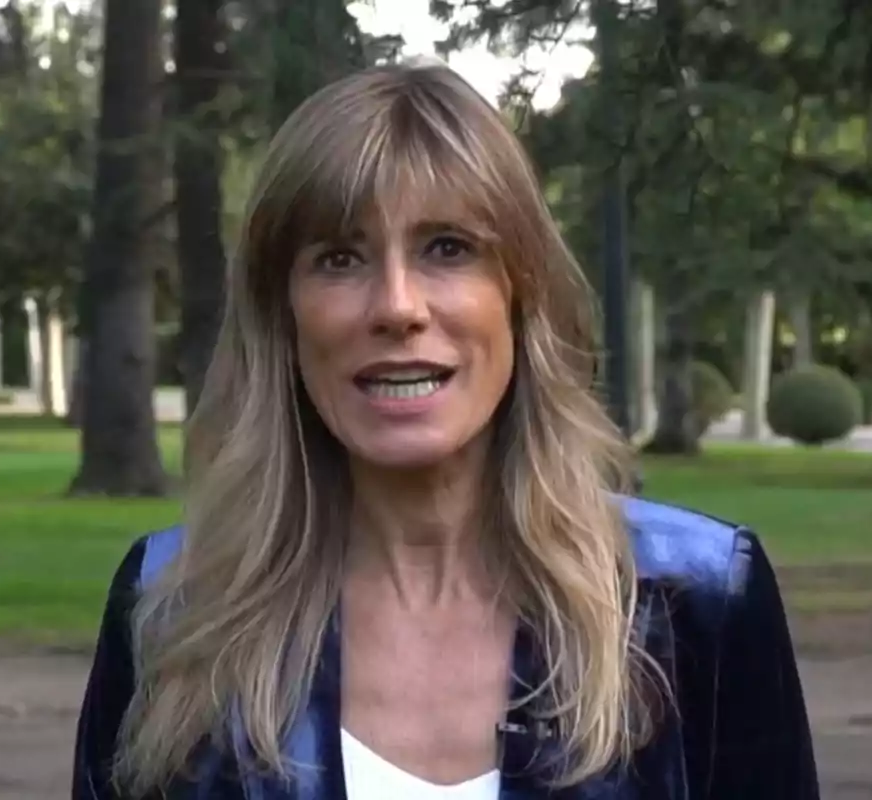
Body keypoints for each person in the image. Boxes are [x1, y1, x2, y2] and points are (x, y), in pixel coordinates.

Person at [72, 61, 819, 800]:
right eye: (339, 258)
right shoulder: (173, 612)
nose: (397, 306)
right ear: (283, 319)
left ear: (520, 294)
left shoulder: (698, 599)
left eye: (448, 249)